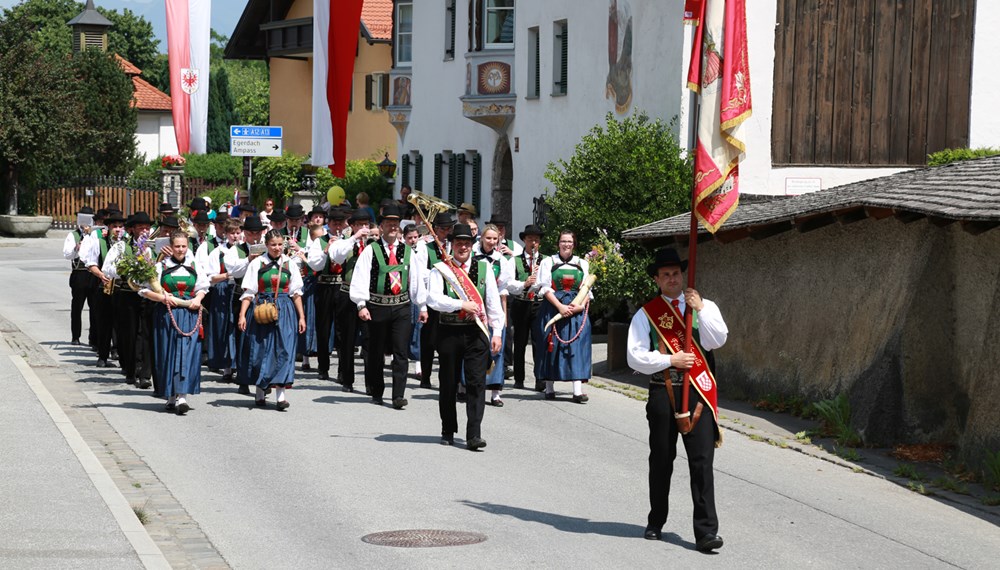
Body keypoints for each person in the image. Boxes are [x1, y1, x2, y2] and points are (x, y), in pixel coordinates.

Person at [626, 247, 728, 552]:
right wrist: (671, 359)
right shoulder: (647, 314)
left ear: (683, 275)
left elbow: (717, 340)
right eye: (666, 275)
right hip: (663, 391)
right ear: (657, 279)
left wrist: (701, 310)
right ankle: (656, 521)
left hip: (697, 391)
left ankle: (706, 532)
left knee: (702, 462)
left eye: (676, 273)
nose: (672, 279)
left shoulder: (702, 305)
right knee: (661, 459)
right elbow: (635, 357)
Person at [426, 223, 504, 449]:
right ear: (451, 245)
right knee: (448, 383)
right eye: (458, 243)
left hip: (475, 332)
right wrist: (461, 303)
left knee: (477, 383)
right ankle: (448, 429)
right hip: (449, 331)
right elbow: (433, 299)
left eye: (467, 243)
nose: (463, 247)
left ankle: (474, 435)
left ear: (473, 245)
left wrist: (497, 332)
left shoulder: (484, 268)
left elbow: (492, 303)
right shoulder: (440, 269)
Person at [349, 203, 425, 408]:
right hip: (377, 307)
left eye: (395, 223)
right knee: (375, 351)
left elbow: (416, 280)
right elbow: (361, 277)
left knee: (401, 351)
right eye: (389, 223)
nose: (392, 226)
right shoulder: (370, 250)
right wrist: (361, 305)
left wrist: (423, 306)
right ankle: (377, 390)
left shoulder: (409, 252)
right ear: (381, 226)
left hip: (401, 306)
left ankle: (398, 395)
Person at [140, 231, 209, 415]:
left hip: (189, 315)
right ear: (171, 246)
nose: (180, 250)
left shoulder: (194, 264)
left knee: (187, 354)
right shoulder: (161, 266)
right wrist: (162, 298)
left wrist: (198, 299)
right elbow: (144, 290)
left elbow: (203, 287)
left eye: (183, 246)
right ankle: (170, 395)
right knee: (168, 353)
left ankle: (182, 397)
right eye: (177, 246)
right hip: (166, 315)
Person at [238, 230, 308, 410]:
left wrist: (301, 316)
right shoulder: (257, 263)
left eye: (279, 245)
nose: (277, 248)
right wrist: (242, 315)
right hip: (262, 308)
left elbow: (296, 293)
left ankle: (280, 396)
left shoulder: (290, 264)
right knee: (261, 350)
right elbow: (249, 292)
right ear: (266, 245)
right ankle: (260, 392)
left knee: (284, 349)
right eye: (273, 245)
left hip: (285, 310)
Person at [536, 230, 592, 402]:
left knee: (577, 348)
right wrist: (560, 307)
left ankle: (577, 391)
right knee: (551, 346)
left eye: (569, 241)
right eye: (563, 241)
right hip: (553, 307)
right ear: (558, 243)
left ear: (574, 244)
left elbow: (587, 289)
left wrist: (579, 307)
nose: (566, 244)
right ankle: (549, 388)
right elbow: (544, 288)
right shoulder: (548, 262)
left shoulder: (582, 263)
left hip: (576, 309)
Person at [103, 212, 155, 389]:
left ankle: (145, 374)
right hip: (127, 294)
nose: (145, 231)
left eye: (147, 228)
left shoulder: (153, 247)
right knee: (129, 334)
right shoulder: (120, 247)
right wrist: (126, 269)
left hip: (148, 294)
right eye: (141, 228)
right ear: (132, 230)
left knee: (146, 334)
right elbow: (107, 269)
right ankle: (131, 370)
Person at [327, 210, 372, 392]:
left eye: (366, 224)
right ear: (352, 226)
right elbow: (336, 257)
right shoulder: (344, 242)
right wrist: (354, 238)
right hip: (347, 293)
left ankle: (371, 383)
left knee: (370, 341)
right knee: (347, 339)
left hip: (368, 296)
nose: (363, 228)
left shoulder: (374, 244)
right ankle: (347, 379)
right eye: (359, 224)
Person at [304, 207, 350, 380]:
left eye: (340, 223)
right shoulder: (319, 241)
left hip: (342, 287)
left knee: (341, 330)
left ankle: (342, 370)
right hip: (324, 286)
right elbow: (314, 265)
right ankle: (323, 367)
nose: (337, 226)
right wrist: (326, 250)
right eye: (334, 223)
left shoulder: (348, 240)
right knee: (323, 328)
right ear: (328, 224)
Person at [225, 215, 265, 394]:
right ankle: (242, 379)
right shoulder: (236, 250)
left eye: (258, 233)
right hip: (242, 298)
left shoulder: (267, 248)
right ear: (245, 233)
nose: (254, 237)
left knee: (262, 339)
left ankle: (261, 378)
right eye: (250, 233)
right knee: (242, 339)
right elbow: (232, 271)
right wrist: (248, 259)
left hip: (263, 298)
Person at [80, 210, 126, 368]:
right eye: (115, 226)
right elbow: (90, 263)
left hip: (122, 287)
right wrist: (101, 275)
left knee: (121, 323)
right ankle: (103, 354)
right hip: (104, 285)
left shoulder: (127, 243)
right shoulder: (99, 241)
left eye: (121, 226)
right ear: (108, 227)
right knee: (104, 322)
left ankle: (119, 352)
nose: (118, 229)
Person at [475, 224, 514, 406]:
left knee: (496, 348)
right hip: (474, 306)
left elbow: (504, 287)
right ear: (482, 238)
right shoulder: (473, 256)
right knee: (472, 347)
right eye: (488, 238)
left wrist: (502, 314)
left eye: (494, 239)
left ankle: (495, 392)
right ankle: (465, 385)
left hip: (494, 306)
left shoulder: (501, 260)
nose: (491, 242)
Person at [418, 212, 455, 387]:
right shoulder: (426, 248)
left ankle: (446, 378)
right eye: (443, 229)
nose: (446, 232)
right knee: (428, 341)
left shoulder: (455, 247)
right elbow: (420, 274)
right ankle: (425, 377)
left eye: (449, 229)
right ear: (435, 230)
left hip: (451, 300)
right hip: (432, 299)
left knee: (447, 343)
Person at [508, 224, 545, 390]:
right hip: (521, 303)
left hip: (539, 303)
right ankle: (519, 378)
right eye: (530, 239)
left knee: (539, 342)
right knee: (520, 341)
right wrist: (524, 283)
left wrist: (538, 283)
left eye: (536, 240)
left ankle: (540, 378)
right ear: (524, 240)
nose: (533, 243)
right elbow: (509, 283)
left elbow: (549, 283)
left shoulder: (545, 260)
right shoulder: (514, 260)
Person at [64, 206, 98, 347]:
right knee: (77, 306)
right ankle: (75, 336)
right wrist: (76, 249)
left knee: (95, 307)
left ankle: (93, 337)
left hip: (93, 273)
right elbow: (67, 254)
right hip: (79, 273)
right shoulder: (73, 235)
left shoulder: (95, 234)